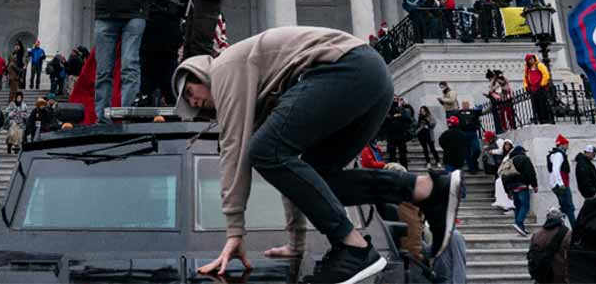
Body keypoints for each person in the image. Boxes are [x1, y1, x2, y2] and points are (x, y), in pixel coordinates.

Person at [172, 26, 462, 283]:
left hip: (347, 69)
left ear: (198, 73)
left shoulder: (224, 68)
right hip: (370, 78)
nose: (194, 102)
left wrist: (234, 232)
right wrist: (297, 243)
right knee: (318, 177)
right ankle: (426, 189)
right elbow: (294, 177)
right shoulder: (260, 92)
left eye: (189, 93)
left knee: (262, 150)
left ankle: (354, 248)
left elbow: (234, 152)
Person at [141, 0, 188, 106]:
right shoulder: (153, 1)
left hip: (165, 51)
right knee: (155, 86)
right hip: (155, 50)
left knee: (166, 87)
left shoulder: (174, 5)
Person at [501, 143, 538, 236]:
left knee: (518, 206)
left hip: (512, 188)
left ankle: (520, 227)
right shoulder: (524, 159)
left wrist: (507, 191)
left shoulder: (508, 161)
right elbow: (531, 173)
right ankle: (518, 222)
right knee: (525, 206)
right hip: (522, 186)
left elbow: (503, 177)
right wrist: (534, 185)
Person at [528, 207, 571, 284]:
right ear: (561, 219)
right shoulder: (567, 234)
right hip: (560, 276)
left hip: (541, 275)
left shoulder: (537, 235)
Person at [548, 135, 576, 226]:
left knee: (564, 208)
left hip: (557, 185)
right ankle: (575, 229)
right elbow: (556, 169)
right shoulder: (559, 155)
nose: (568, 146)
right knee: (569, 208)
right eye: (566, 144)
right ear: (562, 145)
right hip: (561, 185)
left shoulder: (555, 154)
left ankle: (556, 225)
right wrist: (560, 183)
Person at [524, 53, 553, 124]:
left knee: (543, 104)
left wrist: (542, 84)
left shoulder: (539, 65)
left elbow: (545, 74)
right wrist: (527, 87)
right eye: (529, 60)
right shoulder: (528, 69)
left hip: (541, 88)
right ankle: (540, 119)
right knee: (536, 105)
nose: (531, 60)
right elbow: (525, 79)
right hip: (533, 89)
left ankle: (546, 119)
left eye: (532, 59)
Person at [383, 99, 412, 168]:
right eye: (395, 100)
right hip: (392, 137)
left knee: (402, 155)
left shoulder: (403, 111)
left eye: (397, 99)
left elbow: (408, 120)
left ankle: (404, 169)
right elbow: (385, 121)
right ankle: (393, 170)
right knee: (392, 155)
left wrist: (402, 110)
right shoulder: (388, 111)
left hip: (400, 136)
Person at [457, 100, 482, 174]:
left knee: (477, 149)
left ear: (468, 104)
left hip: (473, 133)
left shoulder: (473, 112)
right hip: (463, 133)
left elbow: (480, 113)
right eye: (463, 104)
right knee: (467, 153)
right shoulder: (458, 113)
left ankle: (474, 161)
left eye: (466, 104)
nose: (465, 105)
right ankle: (471, 168)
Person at [491, 139, 515, 212]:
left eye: (508, 145)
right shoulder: (504, 153)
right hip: (503, 176)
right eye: (505, 144)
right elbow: (499, 151)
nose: (507, 146)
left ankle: (510, 207)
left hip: (509, 175)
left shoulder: (511, 154)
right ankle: (505, 205)